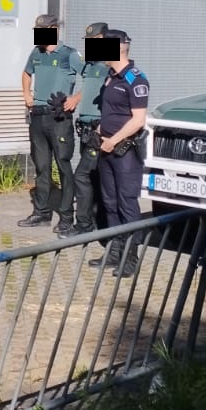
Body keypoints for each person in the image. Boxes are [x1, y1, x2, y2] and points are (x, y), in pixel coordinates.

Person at [88, 29, 149, 277]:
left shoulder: (136, 79)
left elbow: (138, 120)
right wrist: (100, 131)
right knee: (109, 204)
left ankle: (130, 258)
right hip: (106, 148)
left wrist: (113, 139)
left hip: (125, 151)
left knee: (127, 205)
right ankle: (114, 252)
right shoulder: (110, 77)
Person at [20, 14, 83, 231]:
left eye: (44, 29)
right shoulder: (36, 52)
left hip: (58, 118)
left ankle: (67, 217)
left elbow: (95, 77)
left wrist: (75, 99)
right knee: (41, 167)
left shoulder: (70, 54)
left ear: (54, 29)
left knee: (63, 166)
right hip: (37, 116)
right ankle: (41, 213)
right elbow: (27, 73)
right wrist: (26, 93)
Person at [66, 22, 111, 238]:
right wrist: (75, 98)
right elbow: (90, 90)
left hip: (99, 130)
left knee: (82, 176)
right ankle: (97, 222)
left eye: (94, 41)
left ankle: (84, 225)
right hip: (86, 128)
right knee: (93, 177)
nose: (90, 45)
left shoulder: (111, 67)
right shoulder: (92, 64)